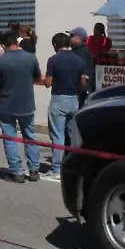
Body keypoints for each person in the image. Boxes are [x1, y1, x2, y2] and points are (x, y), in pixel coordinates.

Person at [0, 28, 43, 182]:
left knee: (10, 138)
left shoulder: (1, 61)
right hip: (27, 103)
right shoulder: (30, 58)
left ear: (4, 45)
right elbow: (37, 77)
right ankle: (34, 169)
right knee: (30, 137)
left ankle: (17, 172)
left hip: (8, 104)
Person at [44, 32, 86, 178]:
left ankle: (56, 169)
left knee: (57, 135)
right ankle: (75, 167)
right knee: (72, 135)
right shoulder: (79, 60)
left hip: (59, 99)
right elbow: (83, 82)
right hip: (74, 99)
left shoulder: (53, 60)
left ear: (55, 45)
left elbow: (48, 83)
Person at [68, 27, 96, 107]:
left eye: (71, 36)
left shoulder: (82, 52)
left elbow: (85, 74)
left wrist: (83, 89)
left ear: (80, 38)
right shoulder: (75, 51)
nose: (69, 38)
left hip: (80, 92)